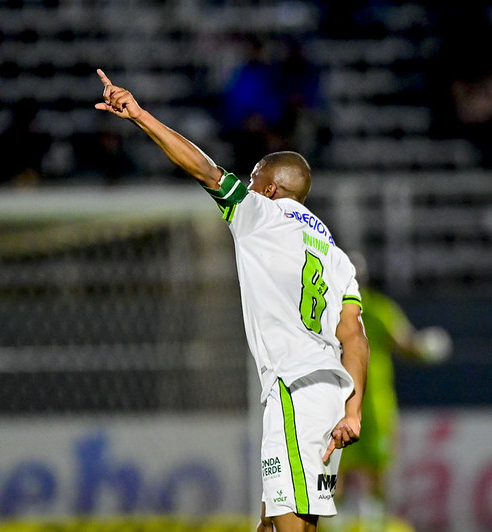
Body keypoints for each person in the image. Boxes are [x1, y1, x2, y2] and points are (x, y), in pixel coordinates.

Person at [94, 69, 370, 532]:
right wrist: (353, 409)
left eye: (253, 177)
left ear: (268, 187)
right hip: (329, 395)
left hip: (293, 389)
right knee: (273, 525)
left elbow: (204, 169)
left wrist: (140, 116)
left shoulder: (261, 214)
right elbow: (353, 336)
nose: (246, 182)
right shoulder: (336, 256)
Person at [330, 253, 451, 531]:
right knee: (339, 471)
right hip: (342, 403)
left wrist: (423, 348)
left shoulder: (378, 310)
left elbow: (405, 344)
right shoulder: (331, 311)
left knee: (373, 469)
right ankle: (341, 523)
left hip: (372, 405)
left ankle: (374, 523)